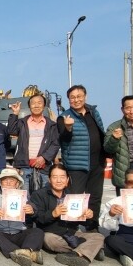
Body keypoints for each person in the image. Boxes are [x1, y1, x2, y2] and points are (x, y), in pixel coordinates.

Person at [29, 164, 104, 266]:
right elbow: (37, 218)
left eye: (62, 177)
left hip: (72, 233)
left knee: (99, 237)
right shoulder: (39, 195)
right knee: (49, 240)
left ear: (67, 179)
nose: (59, 180)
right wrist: (53, 214)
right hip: (53, 234)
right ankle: (88, 250)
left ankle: (75, 254)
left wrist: (87, 216)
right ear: (49, 179)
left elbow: (82, 222)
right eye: (55, 177)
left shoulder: (73, 196)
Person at [57, 85, 106, 230]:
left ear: (85, 96)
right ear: (68, 100)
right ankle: (72, 227)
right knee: (74, 197)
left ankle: (92, 225)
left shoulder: (94, 113)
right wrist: (68, 128)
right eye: (72, 97)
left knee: (95, 196)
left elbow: (101, 132)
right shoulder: (64, 117)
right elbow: (63, 140)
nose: (76, 100)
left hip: (97, 162)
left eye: (79, 96)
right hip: (76, 164)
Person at [0, 167, 44, 266]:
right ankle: (25, 253)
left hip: (19, 232)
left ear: (17, 183)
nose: (8, 183)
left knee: (38, 232)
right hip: (0, 232)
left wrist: (31, 210)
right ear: (0, 183)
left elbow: (34, 208)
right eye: (4, 180)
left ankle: (24, 251)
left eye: (11, 180)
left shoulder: (23, 195)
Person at [7, 94, 59, 192]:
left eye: (39, 103)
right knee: (25, 196)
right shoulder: (23, 122)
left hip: (44, 167)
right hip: (25, 166)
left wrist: (44, 158)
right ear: (29, 106)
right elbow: (11, 130)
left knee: (43, 195)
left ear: (44, 106)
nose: (36, 105)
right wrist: (15, 113)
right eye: (33, 103)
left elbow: (55, 144)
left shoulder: (52, 125)